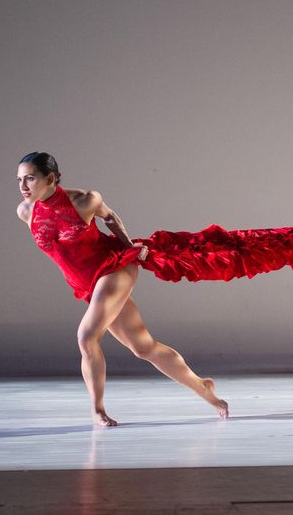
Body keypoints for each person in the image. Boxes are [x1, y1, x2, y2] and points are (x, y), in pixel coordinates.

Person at [17, 152, 228, 426]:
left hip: (113, 268)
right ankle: (206, 391)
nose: (23, 186)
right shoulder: (25, 211)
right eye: (19, 180)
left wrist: (130, 248)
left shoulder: (84, 199)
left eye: (30, 178)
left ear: (51, 178)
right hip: (88, 285)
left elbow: (110, 217)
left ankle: (97, 410)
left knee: (86, 337)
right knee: (144, 347)